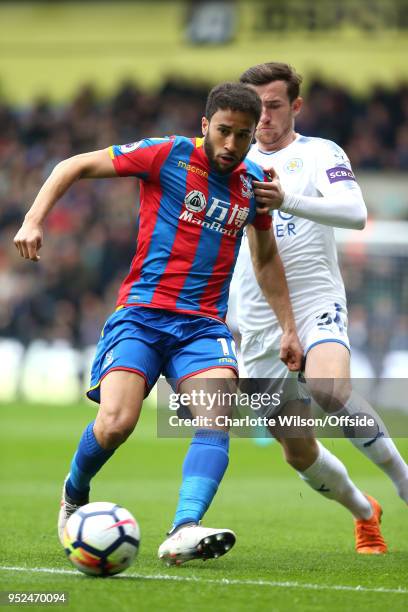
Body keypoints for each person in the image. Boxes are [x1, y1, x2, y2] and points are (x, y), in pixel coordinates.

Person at [14, 82, 303, 566]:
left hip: (204, 327)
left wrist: (288, 328)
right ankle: (74, 491)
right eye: (225, 132)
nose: (232, 145)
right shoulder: (165, 154)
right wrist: (33, 219)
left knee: (217, 418)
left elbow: (267, 258)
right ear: (205, 125)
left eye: (244, 136)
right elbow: (73, 165)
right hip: (143, 317)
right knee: (116, 423)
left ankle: (184, 528)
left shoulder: (255, 184)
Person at [232, 61, 408, 553]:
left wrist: (286, 198)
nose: (262, 117)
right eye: (254, 107)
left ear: (295, 107)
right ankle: (362, 509)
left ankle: (402, 480)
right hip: (256, 317)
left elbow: (355, 213)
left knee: (330, 388)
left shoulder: (319, 154)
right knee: (297, 448)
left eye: (273, 106)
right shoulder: (227, 159)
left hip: (314, 300)